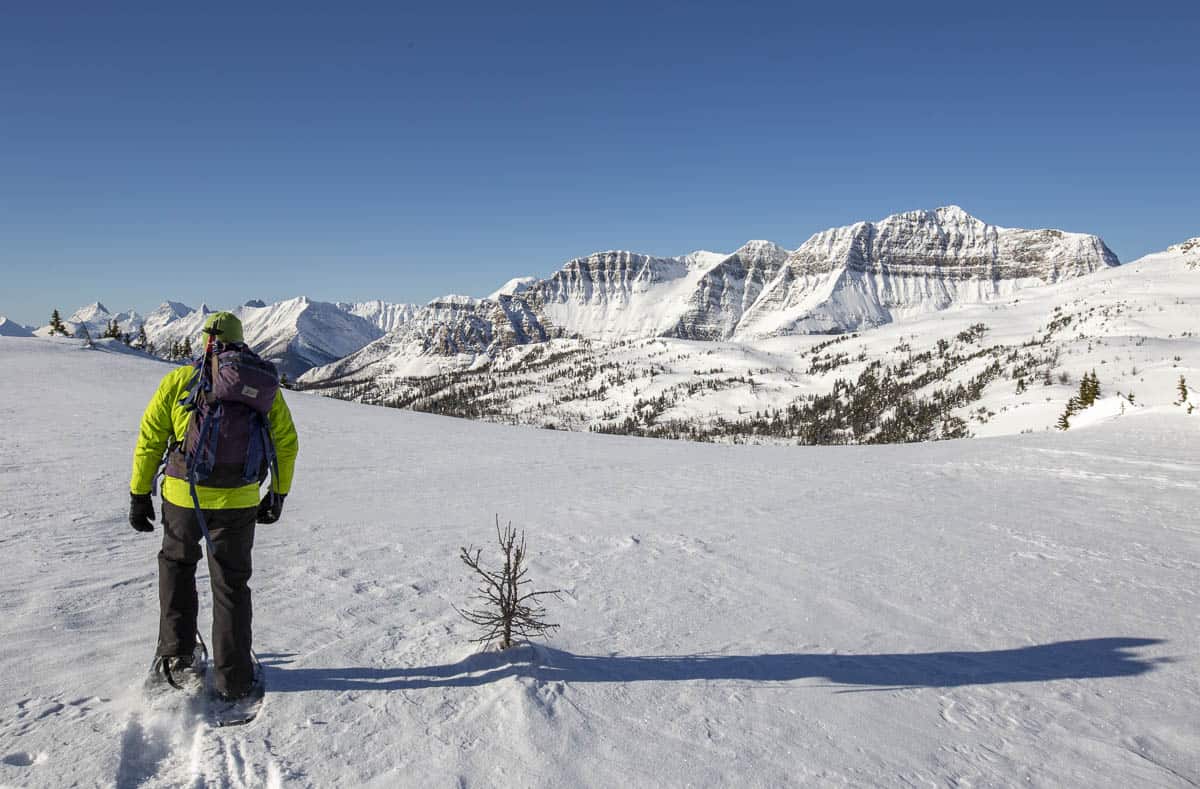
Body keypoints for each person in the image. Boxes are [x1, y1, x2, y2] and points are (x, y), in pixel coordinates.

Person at [128, 312, 299, 700]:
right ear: (241, 341)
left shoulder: (178, 380)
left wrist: (139, 493)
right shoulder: (260, 386)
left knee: (177, 568)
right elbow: (286, 443)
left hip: (181, 497)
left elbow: (151, 438)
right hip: (238, 500)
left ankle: (176, 658)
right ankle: (234, 679)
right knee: (231, 584)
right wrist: (278, 493)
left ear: (205, 340)